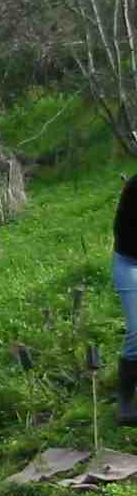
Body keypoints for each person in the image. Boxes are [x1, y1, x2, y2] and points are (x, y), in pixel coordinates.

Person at [113, 174, 137, 425]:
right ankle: (125, 404)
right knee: (136, 331)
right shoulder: (134, 189)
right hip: (130, 263)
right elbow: (125, 235)